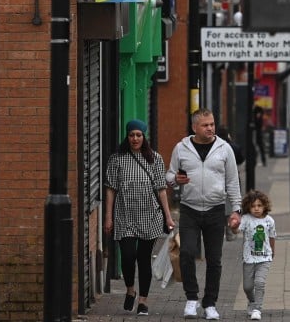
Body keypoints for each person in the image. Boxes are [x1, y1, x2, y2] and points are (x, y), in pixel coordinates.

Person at [167, 109, 243, 320]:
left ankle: (210, 303)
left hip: (216, 209)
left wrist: (236, 210)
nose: (210, 128)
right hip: (189, 209)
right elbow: (170, 175)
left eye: (212, 124)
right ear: (194, 127)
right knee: (187, 253)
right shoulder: (181, 148)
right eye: (205, 125)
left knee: (214, 259)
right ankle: (191, 299)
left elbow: (232, 181)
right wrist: (175, 180)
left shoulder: (224, 148)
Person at [104, 119, 175, 317]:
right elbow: (110, 189)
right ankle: (130, 289)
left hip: (149, 215)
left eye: (139, 135)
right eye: (131, 135)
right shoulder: (117, 159)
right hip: (124, 215)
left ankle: (143, 301)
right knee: (127, 256)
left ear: (144, 137)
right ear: (127, 137)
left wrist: (168, 217)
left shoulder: (155, 159)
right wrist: (108, 217)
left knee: (144, 259)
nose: (135, 138)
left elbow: (161, 190)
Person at [237, 189, 276, 321]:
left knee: (260, 282)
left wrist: (272, 251)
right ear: (248, 207)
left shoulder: (269, 220)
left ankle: (257, 309)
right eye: (253, 206)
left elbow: (272, 237)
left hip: (264, 257)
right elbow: (237, 230)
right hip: (248, 258)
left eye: (259, 206)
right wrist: (232, 225)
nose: (256, 209)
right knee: (247, 287)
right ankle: (252, 301)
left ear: (265, 206)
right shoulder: (246, 219)